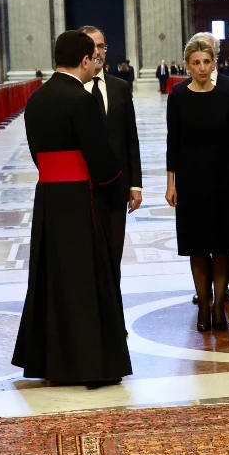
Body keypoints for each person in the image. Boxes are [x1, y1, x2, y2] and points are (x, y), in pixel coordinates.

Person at [13, 30, 131, 388]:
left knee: (53, 278)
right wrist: (116, 190)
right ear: (84, 60)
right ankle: (90, 366)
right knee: (86, 279)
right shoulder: (81, 99)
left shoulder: (36, 99)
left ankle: (53, 363)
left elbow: (37, 155)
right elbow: (101, 160)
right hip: (83, 199)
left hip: (49, 198)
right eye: (93, 58)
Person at [165, 38, 229, 332]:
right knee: (197, 245)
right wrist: (170, 183)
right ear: (187, 65)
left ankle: (219, 306)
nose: (201, 67)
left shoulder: (226, 96)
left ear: (214, 64)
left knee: (222, 246)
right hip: (190, 179)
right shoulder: (178, 96)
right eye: (196, 62)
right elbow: (173, 141)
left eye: (206, 62)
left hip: (223, 178)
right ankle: (203, 306)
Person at [79, 26, 142, 275]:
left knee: (114, 253)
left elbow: (131, 138)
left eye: (101, 46)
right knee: (87, 255)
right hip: (82, 186)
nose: (98, 52)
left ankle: (113, 297)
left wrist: (135, 185)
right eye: (92, 46)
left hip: (117, 185)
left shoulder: (120, 88)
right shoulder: (72, 90)